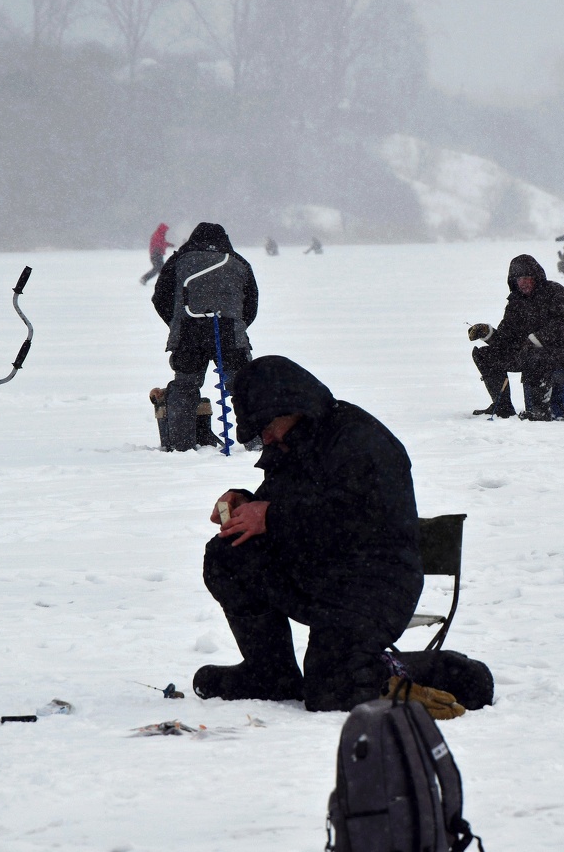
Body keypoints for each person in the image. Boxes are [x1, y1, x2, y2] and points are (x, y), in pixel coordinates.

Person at [192, 355, 458, 715]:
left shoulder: (360, 440)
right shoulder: (290, 440)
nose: (266, 436)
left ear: (293, 405)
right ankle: (269, 673)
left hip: (376, 581)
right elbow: (291, 506)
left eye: (268, 425)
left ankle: (444, 672)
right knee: (231, 552)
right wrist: (249, 503)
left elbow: (356, 518)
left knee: (332, 690)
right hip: (321, 569)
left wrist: (271, 514)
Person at [151, 222, 258, 451]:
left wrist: (178, 322)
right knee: (241, 386)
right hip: (230, 332)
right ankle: (255, 442)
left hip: (188, 334)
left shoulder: (178, 261)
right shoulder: (238, 262)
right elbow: (251, 303)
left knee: (185, 386)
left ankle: (181, 445)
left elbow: (160, 297)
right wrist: (237, 324)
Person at [467, 253, 564, 420]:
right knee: (485, 355)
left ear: (536, 277)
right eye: (519, 278)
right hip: (525, 353)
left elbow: (562, 328)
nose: (522, 282)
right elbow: (505, 338)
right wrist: (486, 333)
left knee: (534, 356)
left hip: (558, 352)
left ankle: (540, 410)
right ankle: (502, 408)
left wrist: (533, 341)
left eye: (526, 277)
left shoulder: (557, 293)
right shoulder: (515, 302)